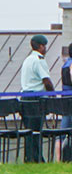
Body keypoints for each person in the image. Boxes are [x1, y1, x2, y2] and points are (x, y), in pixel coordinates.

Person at [17, 33, 53, 162]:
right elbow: (46, 81)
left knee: (29, 131)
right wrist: (52, 95)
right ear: (40, 46)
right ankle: (37, 158)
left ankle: (29, 157)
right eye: (44, 46)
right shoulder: (39, 60)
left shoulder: (27, 60)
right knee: (36, 131)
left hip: (25, 98)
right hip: (36, 100)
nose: (46, 49)